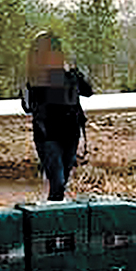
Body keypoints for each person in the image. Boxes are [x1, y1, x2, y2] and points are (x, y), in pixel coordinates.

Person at [22, 31, 92, 201]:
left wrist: (72, 74)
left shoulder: (70, 74)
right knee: (58, 182)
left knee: (62, 184)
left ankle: (54, 218)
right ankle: (52, 220)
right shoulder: (34, 76)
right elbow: (28, 106)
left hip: (71, 133)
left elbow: (88, 91)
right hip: (48, 135)